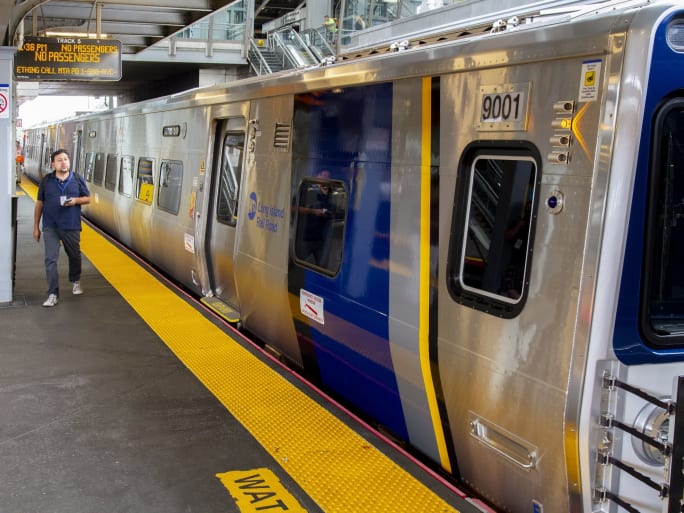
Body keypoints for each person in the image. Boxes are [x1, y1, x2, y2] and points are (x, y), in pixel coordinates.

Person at [33, 149, 91, 307]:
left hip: (71, 226)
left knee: (74, 256)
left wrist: (76, 201)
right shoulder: (46, 181)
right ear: (53, 164)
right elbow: (39, 204)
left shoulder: (77, 179)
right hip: (50, 226)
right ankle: (52, 294)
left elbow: (87, 199)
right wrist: (36, 227)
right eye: (59, 160)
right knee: (50, 260)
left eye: (66, 159)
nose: (64, 162)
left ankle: (75, 280)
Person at [297, 170, 334, 265]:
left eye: (328, 176)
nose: (326, 178)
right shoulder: (308, 191)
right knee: (297, 263)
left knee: (322, 266)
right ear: (317, 176)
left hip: (321, 240)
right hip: (306, 238)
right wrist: (313, 211)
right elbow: (293, 208)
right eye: (324, 175)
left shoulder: (330, 194)